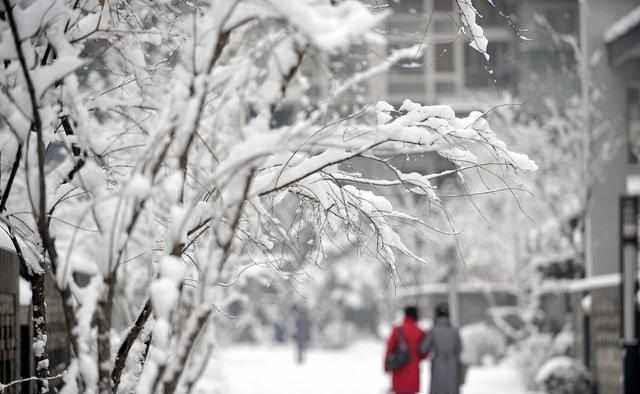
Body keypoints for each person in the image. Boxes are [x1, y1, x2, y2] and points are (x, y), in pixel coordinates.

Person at [421, 303, 463, 394]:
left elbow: (423, 348)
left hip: (438, 363)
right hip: (453, 364)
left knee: (438, 389)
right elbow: (460, 348)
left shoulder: (433, 330)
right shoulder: (455, 330)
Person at [384, 305, 427, 394]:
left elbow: (389, 350)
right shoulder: (420, 332)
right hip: (413, 374)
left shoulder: (397, 330)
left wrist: (386, 366)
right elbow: (424, 353)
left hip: (399, 371)